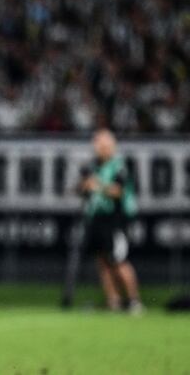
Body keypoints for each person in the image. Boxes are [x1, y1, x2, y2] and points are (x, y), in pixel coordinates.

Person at [78, 128, 143, 313]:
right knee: (102, 260)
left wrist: (96, 185)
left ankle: (133, 300)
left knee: (119, 259)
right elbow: (82, 189)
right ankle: (113, 300)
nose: (97, 147)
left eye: (101, 144)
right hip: (96, 217)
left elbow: (118, 191)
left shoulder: (119, 166)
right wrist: (83, 186)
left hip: (115, 218)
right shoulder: (93, 166)